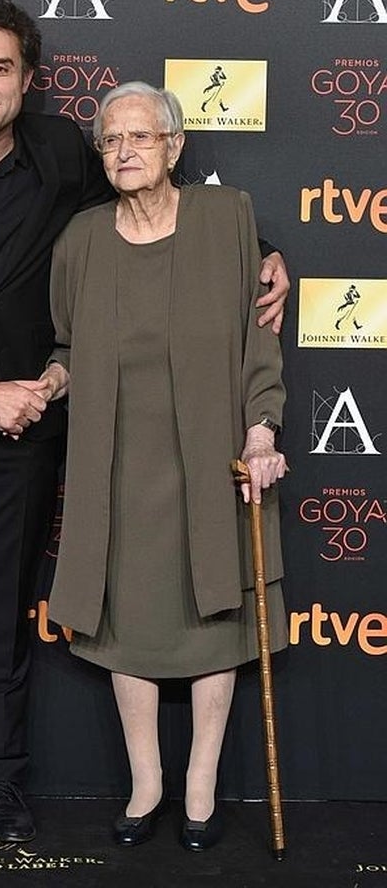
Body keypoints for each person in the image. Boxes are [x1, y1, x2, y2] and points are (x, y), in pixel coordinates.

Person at [0, 0, 289, 847]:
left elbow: (162, 205)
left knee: (4, 613)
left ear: (27, 80)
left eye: (1, 67)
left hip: (28, 435)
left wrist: (266, 249)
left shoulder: (62, 154)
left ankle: (0, 786)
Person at [45, 81, 288, 852]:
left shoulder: (228, 219)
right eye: (111, 140)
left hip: (212, 461)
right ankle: (146, 783)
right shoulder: (80, 239)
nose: (124, 152)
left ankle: (200, 787)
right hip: (117, 467)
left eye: (142, 138)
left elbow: (258, 349)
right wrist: (47, 382)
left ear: (176, 147)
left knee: (215, 626)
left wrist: (260, 435)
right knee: (132, 630)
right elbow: (64, 345)